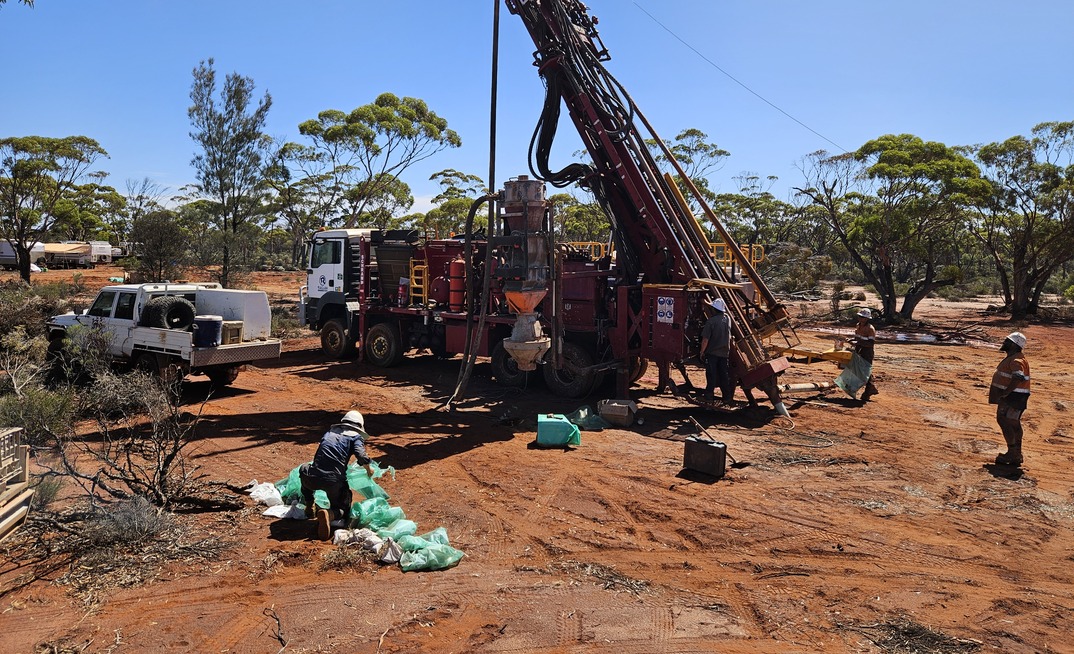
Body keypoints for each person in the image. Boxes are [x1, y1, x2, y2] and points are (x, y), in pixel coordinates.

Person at [300, 410, 375, 540]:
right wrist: (369, 469)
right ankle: (329, 514)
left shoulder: (329, 433)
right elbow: (361, 455)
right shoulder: (355, 437)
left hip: (311, 478)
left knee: (303, 469)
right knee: (343, 507)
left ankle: (309, 505)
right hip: (333, 482)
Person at [988, 332, 1030, 466]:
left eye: (1007, 341)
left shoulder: (1016, 360)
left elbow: (1018, 377)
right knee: (1012, 422)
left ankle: (1013, 454)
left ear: (1014, 344)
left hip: (1013, 398)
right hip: (1016, 397)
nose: (1004, 343)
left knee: (1007, 422)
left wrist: (1006, 393)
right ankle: (1016, 453)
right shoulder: (1016, 357)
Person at [699, 297, 733, 404]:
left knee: (711, 374)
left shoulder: (711, 322)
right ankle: (727, 397)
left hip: (712, 353)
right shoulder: (727, 319)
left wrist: (702, 352)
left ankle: (709, 396)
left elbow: (705, 340)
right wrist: (707, 303)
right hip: (724, 353)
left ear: (714, 310)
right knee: (723, 375)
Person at [850, 308, 879, 401]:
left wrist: (858, 343)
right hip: (859, 350)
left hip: (867, 352)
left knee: (866, 370)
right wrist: (852, 341)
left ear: (867, 319)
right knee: (861, 369)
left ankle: (869, 390)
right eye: (859, 317)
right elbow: (857, 338)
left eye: (863, 317)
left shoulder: (870, 329)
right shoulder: (858, 326)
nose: (860, 319)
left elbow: (870, 343)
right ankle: (870, 388)